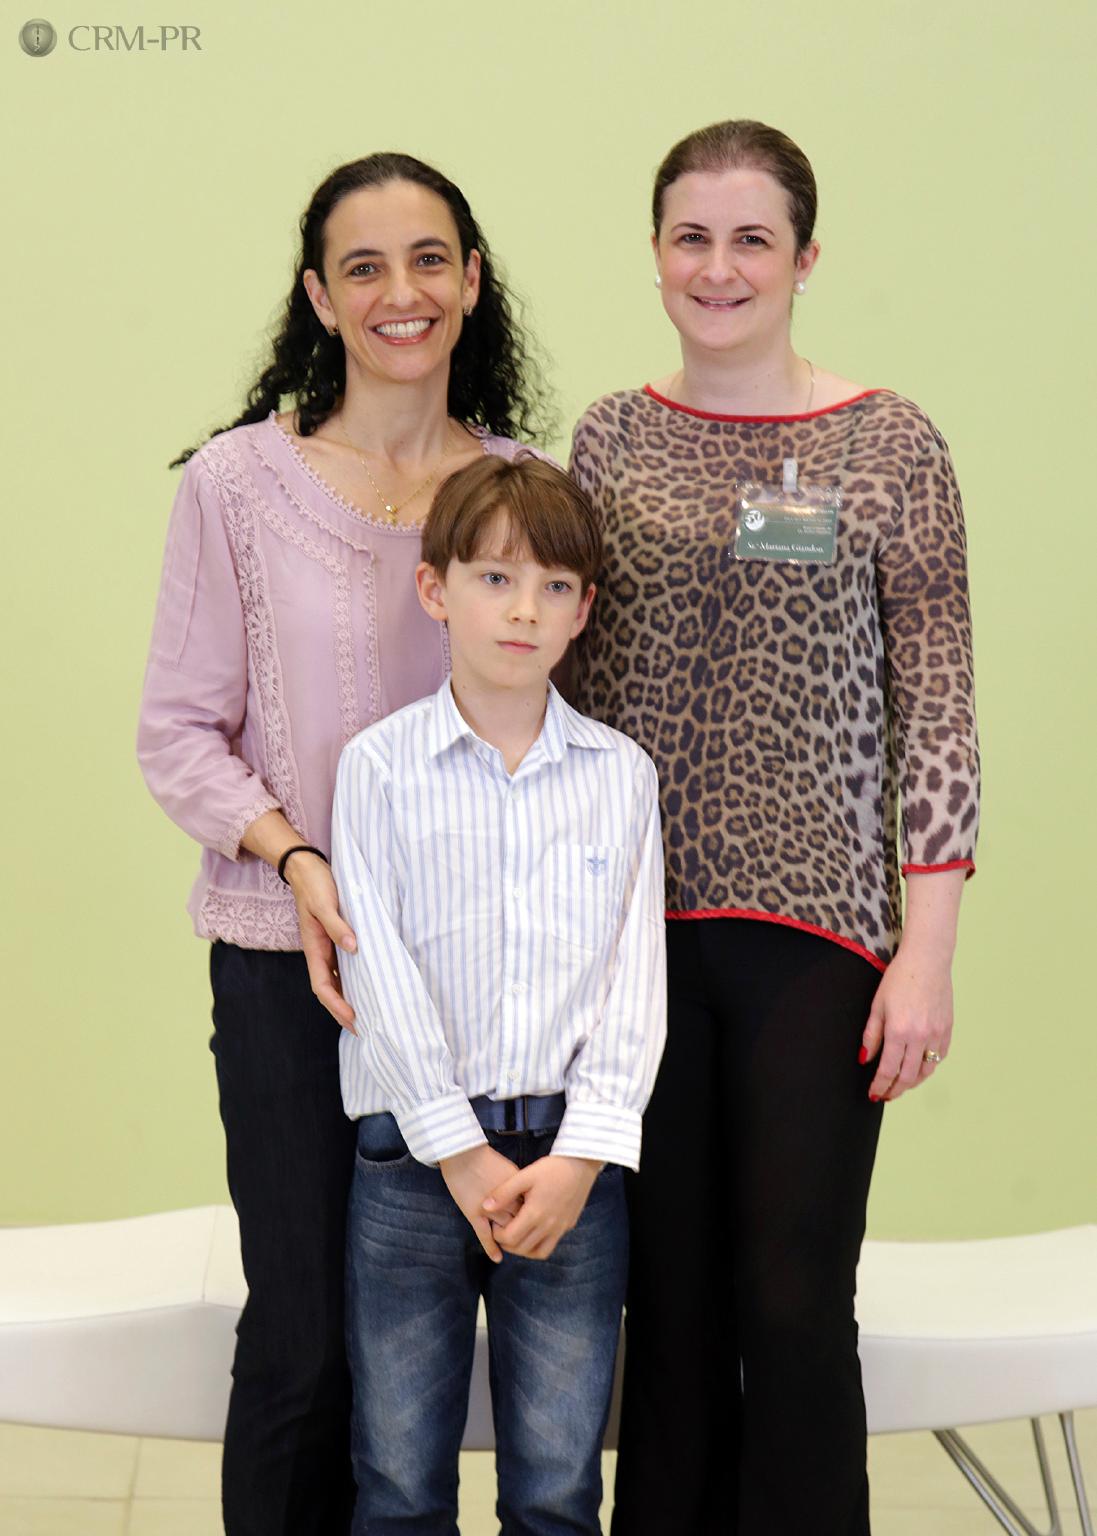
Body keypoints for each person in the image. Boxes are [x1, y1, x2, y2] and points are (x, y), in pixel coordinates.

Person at [567, 120, 980, 1535]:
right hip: (632, 937)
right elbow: (562, 681)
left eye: (752, 239)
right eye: (691, 236)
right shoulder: (609, 438)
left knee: (794, 1298)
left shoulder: (890, 443)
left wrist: (926, 953)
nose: (718, 267)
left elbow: (937, 710)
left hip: (819, 937)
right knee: (668, 1305)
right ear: (655, 253)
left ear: (805, 258)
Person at [137, 151, 549, 1536]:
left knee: (439, 1363)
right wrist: (296, 858)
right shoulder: (237, 486)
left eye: (428, 259)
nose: (398, 292)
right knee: (307, 1340)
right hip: (288, 971)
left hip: (482, 987)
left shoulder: (525, 494)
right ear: (318, 297)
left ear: (471, 280)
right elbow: (178, 733)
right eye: (361, 267)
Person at [330, 454, 667, 1535]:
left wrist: (582, 1158)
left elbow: (634, 986)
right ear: (435, 591)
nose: (524, 610)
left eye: (554, 586)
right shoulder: (377, 769)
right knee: (397, 1486)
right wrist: (457, 1149)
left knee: (558, 1491)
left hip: (571, 1173)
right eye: (494, 579)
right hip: (410, 1163)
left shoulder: (620, 777)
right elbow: (375, 971)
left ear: (583, 611)